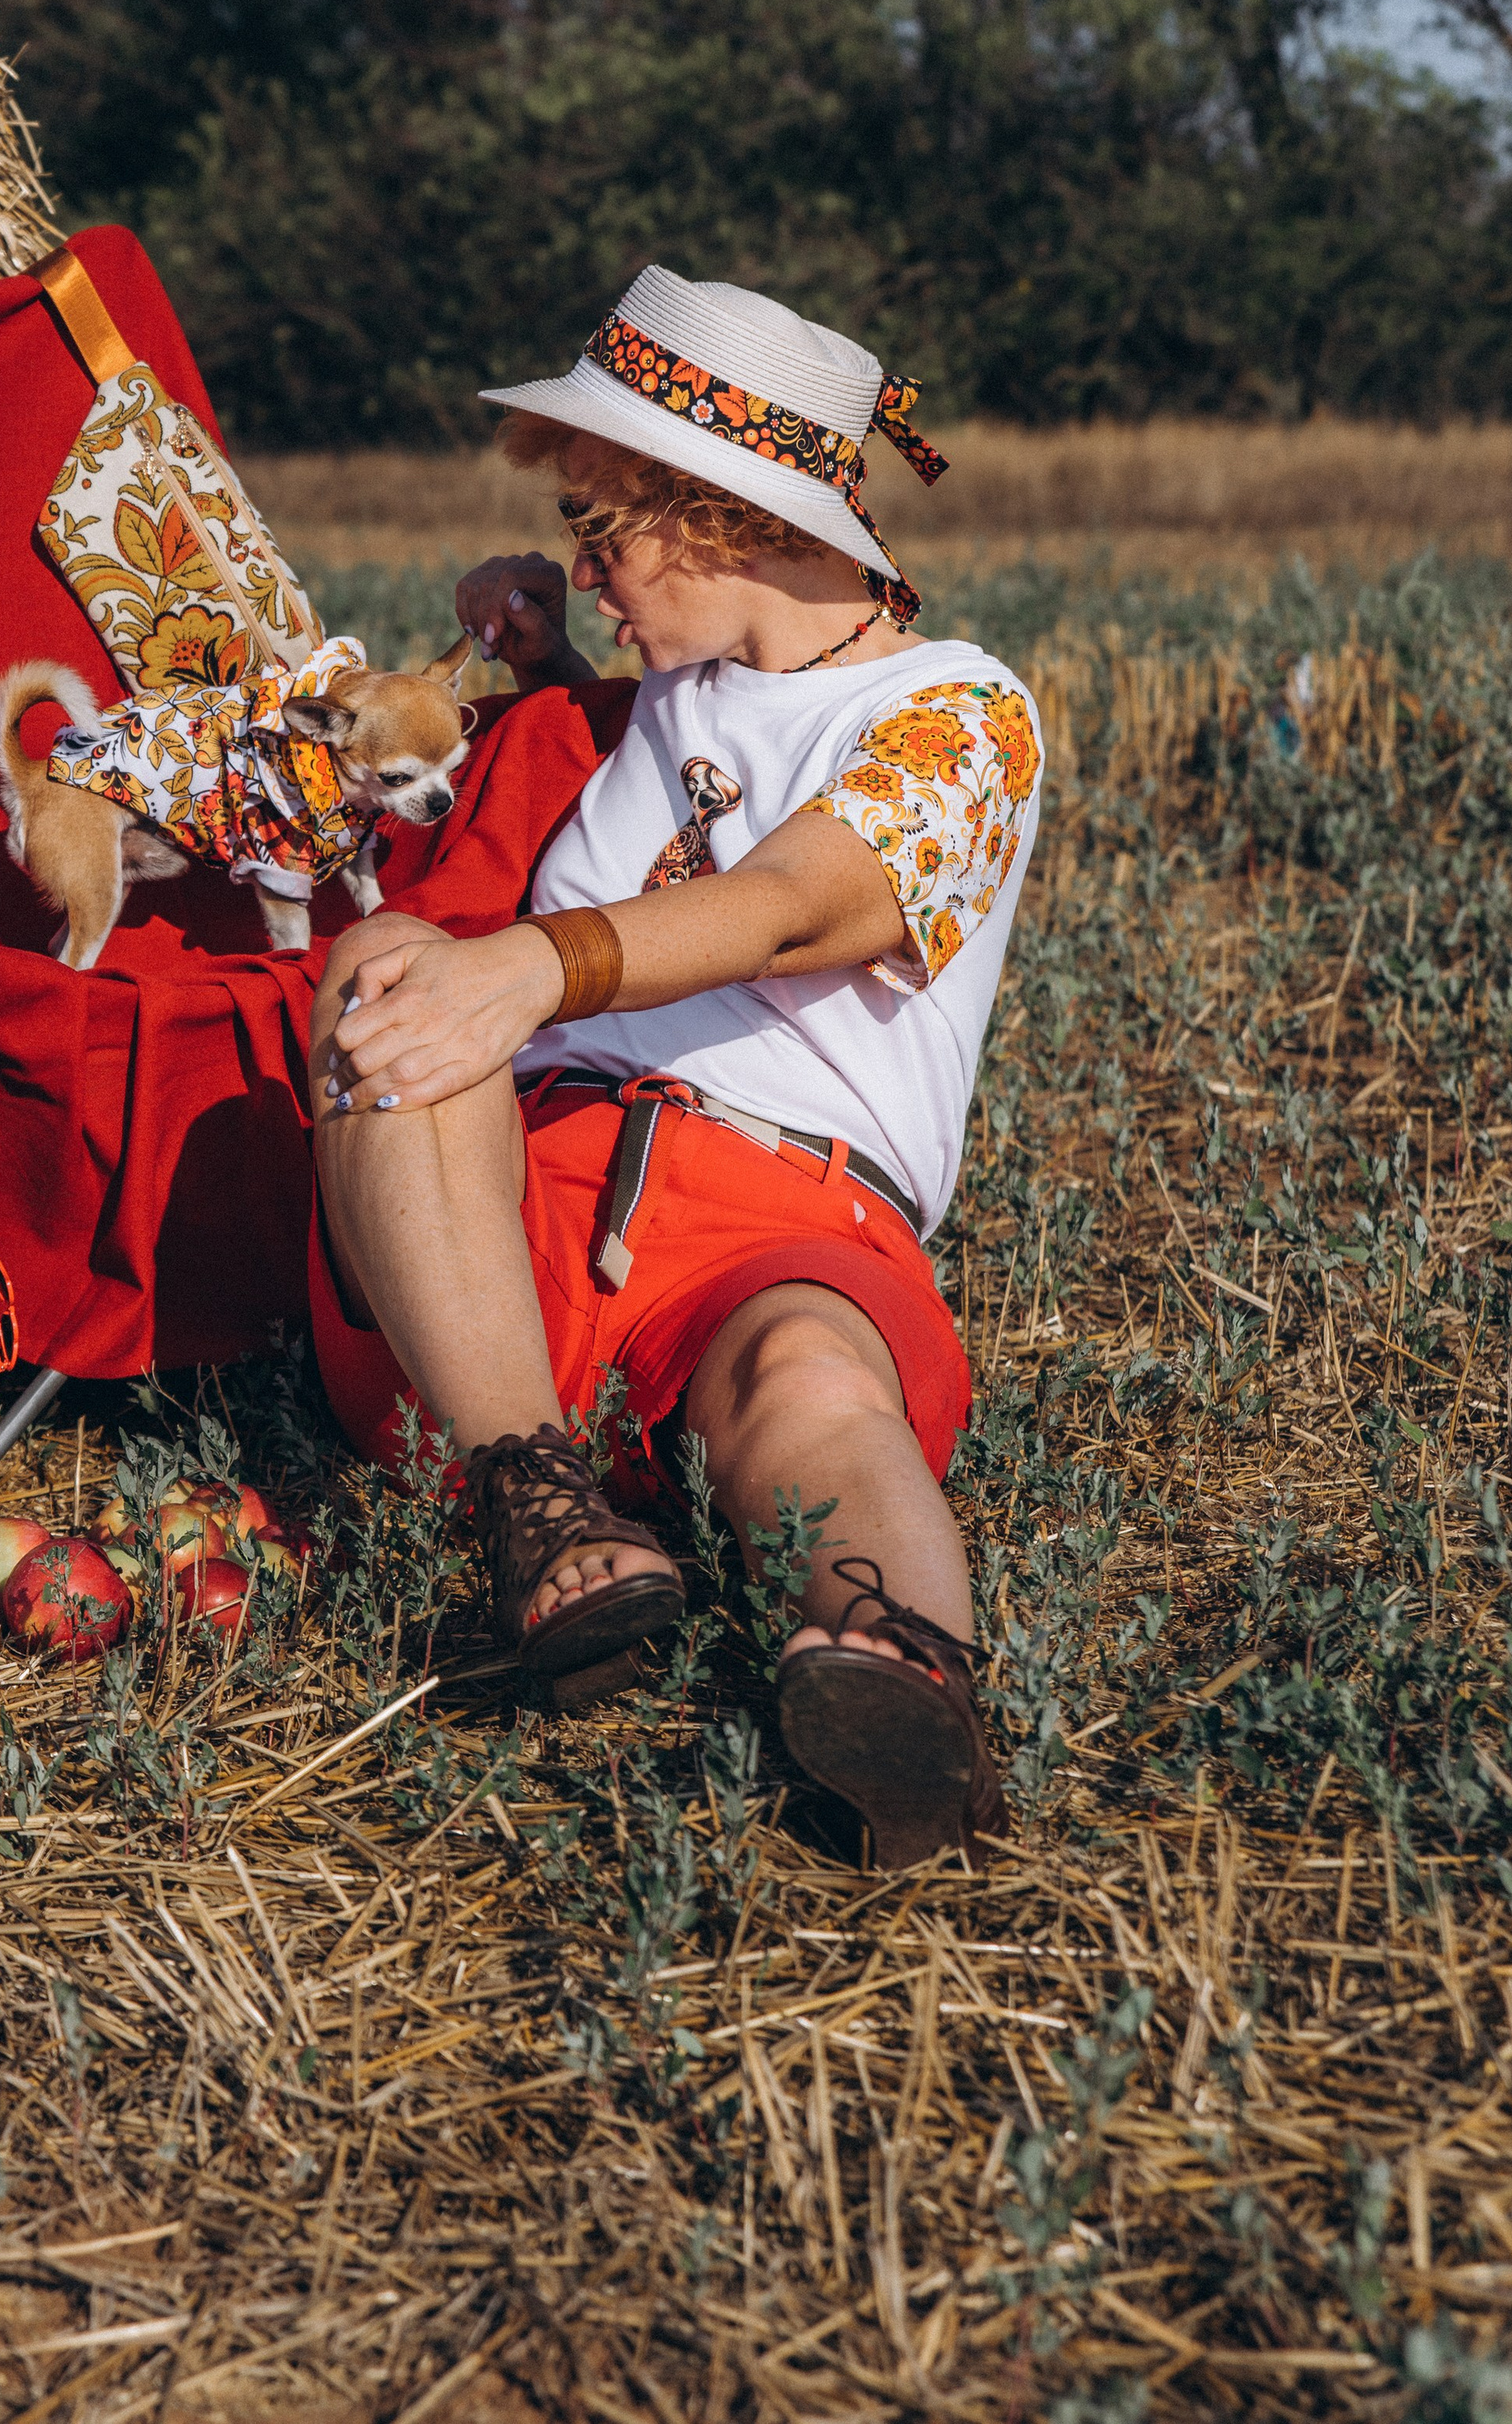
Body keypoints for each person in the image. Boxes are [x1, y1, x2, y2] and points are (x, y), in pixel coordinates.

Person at [309, 266, 1042, 1868]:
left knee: (813, 1377)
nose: (589, 565)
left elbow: (790, 904)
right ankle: (541, 1497)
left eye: (604, 529)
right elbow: (669, 785)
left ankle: (892, 1676)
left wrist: (534, 965)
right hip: (497, 1247)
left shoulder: (958, 712)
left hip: (780, 1227)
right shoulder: (669, 699)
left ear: (713, 512)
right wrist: (560, 660)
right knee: (380, 975)